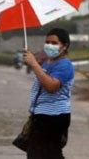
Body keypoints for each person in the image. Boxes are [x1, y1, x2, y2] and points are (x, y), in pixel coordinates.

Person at [23, 28, 74, 159]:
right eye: (47, 42)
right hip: (41, 115)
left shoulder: (65, 65)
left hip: (54, 116)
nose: (49, 45)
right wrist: (33, 63)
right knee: (41, 154)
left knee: (46, 154)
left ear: (65, 46)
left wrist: (34, 64)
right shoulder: (47, 63)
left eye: (54, 43)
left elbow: (51, 86)